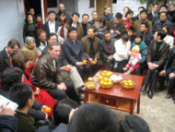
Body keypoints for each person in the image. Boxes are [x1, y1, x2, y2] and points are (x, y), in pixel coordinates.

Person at [141, 30, 170, 99]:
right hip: (151, 62)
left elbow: (163, 58)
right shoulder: (152, 43)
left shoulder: (166, 46)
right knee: (154, 71)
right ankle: (151, 90)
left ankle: (146, 84)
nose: (154, 35)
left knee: (154, 70)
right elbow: (149, 54)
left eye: (155, 34)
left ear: (159, 36)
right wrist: (148, 62)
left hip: (159, 64)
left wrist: (157, 65)